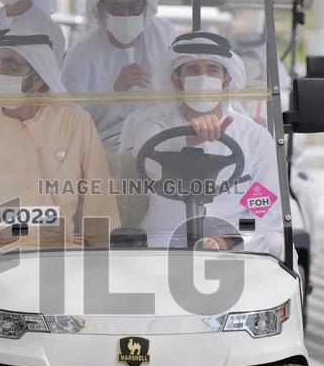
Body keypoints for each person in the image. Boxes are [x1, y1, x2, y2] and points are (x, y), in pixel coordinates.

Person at [0, 31, 120, 258]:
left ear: (39, 78)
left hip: (60, 255)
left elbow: (100, 202)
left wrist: (98, 260)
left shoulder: (75, 123)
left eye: (11, 66)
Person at [118, 32, 284, 258]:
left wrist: (227, 239)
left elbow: (264, 210)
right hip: (164, 239)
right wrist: (188, 140)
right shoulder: (151, 127)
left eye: (212, 70)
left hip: (234, 244)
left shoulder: (255, 137)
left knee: (276, 244)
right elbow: (146, 161)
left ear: (226, 81)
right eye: (193, 70)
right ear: (177, 81)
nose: (203, 77)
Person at [61, 0, 177, 157]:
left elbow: (178, 95)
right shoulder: (81, 53)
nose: (126, 15)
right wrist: (115, 92)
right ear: (101, 10)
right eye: (117, 7)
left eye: (134, 7)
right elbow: (71, 119)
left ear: (145, 9)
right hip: (101, 149)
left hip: (160, 142)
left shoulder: (164, 35)